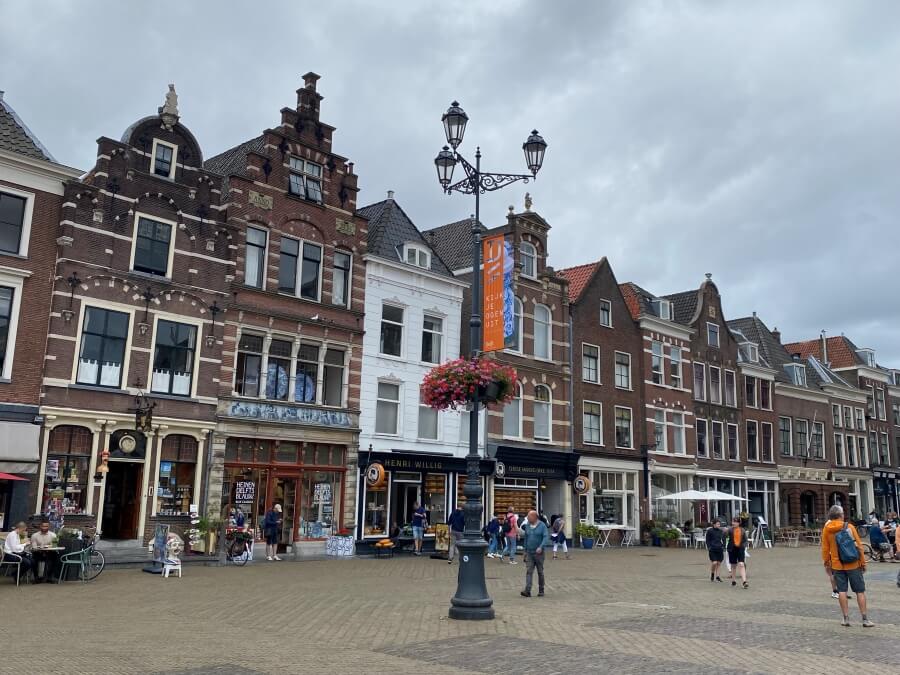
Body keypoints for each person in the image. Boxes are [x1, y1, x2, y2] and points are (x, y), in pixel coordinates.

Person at [821, 504, 873, 627]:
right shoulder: (849, 527)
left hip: (837, 565)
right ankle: (865, 619)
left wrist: (827, 563)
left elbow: (825, 548)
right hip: (853, 563)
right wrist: (863, 562)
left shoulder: (827, 529)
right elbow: (859, 546)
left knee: (842, 591)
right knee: (860, 591)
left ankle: (845, 618)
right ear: (841, 515)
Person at [519, 510, 551, 597]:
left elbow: (545, 537)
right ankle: (527, 590)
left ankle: (541, 590)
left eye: (529, 517)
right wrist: (525, 551)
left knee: (540, 572)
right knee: (529, 571)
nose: (527, 518)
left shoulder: (542, 526)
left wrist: (541, 547)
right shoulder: (528, 526)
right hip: (529, 552)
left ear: (534, 517)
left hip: (539, 553)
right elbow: (526, 538)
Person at [727, 516, 748, 588]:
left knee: (741, 564)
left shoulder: (742, 530)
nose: (734, 523)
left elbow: (745, 540)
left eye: (736, 522)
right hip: (732, 549)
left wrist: (744, 546)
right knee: (733, 565)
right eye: (733, 521)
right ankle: (733, 580)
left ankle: (744, 581)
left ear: (739, 523)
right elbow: (724, 536)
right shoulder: (730, 530)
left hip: (740, 548)